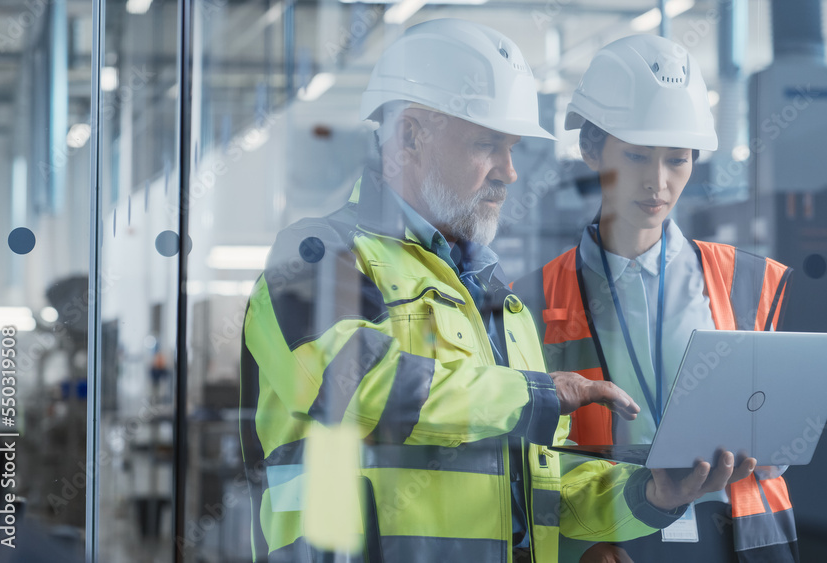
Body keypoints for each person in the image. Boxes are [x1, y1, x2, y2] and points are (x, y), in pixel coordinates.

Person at [238, 19, 753, 563]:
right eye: (487, 145)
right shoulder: (315, 256)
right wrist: (538, 394)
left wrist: (647, 495)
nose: (509, 172)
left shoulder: (498, 301)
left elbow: (541, 489)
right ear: (410, 136)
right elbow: (358, 387)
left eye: (511, 149)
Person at [513, 34, 798, 563]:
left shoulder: (749, 281)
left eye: (678, 159)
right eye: (639, 156)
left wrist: (783, 438)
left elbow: (775, 425)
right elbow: (528, 454)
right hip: (613, 540)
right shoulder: (527, 300)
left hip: (736, 539)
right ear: (591, 150)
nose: (658, 182)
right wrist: (586, 543)